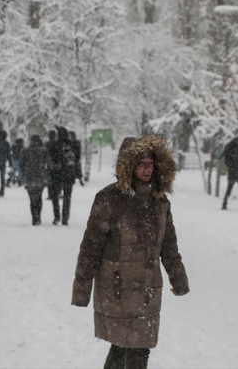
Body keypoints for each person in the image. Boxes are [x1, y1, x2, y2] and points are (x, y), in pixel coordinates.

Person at [72, 135, 189, 369]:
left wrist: (178, 277)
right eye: (140, 163)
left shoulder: (160, 202)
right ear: (128, 166)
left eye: (150, 163)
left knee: (127, 345)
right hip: (117, 288)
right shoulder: (109, 199)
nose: (146, 169)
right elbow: (91, 247)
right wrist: (81, 289)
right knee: (133, 347)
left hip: (147, 290)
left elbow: (169, 246)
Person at [49, 126, 77, 225]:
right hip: (69, 175)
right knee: (67, 197)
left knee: (55, 196)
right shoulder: (73, 145)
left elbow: (51, 160)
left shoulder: (54, 145)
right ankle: (65, 218)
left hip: (56, 175)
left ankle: (57, 217)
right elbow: (77, 161)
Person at [20, 134, 50, 225]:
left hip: (29, 177)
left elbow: (21, 163)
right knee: (39, 197)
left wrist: (25, 172)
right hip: (40, 177)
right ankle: (38, 217)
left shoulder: (25, 151)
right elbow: (48, 162)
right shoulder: (44, 150)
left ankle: (34, 217)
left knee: (32, 198)